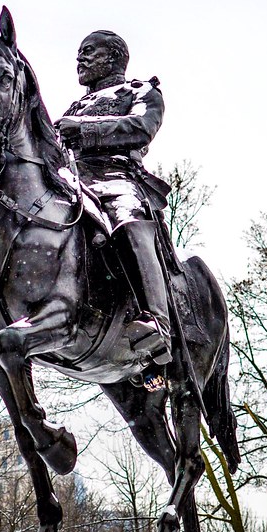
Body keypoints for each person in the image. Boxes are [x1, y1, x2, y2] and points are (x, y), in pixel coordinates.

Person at [55, 30, 173, 388]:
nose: (80, 58)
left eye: (89, 51)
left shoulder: (141, 91)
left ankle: (156, 323)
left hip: (116, 175)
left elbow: (142, 127)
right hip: (73, 181)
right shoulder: (73, 107)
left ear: (114, 57)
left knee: (127, 220)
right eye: (80, 52)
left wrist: (85, 130)